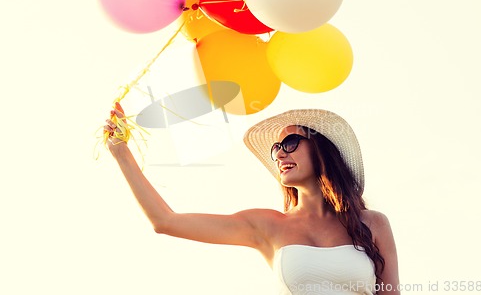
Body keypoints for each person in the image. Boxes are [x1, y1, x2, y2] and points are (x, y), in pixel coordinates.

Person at [104, 103, 400, 295]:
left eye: (291, 142)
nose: (280, 153)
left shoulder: (372, 224)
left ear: (321, 150)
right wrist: (121, 153)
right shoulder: (266, 225)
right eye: (276, 149)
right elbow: (165, 221)